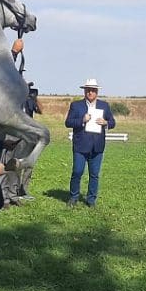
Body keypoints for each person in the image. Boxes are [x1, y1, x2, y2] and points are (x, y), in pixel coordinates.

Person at [64, 78, 116, 207]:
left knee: (94, 175)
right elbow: (68, 122)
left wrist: (106, 123)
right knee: (77, 172)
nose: (90, 93)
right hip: (80, 146)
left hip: (97, 146)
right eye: (88, 90)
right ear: (84, 91)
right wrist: (82, 120)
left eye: (93, 90)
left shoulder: (104, 106)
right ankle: (74, 197)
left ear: (97, 92)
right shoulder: (76, 105)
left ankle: (91, 200)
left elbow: (113, 122)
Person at [0, 81, 42, 206]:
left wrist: (34, 97)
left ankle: (13, 195)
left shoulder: (27, 101)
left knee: (17, 165)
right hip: (9, 136)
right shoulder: (7, 99)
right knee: (4, 165)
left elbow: (38, 110)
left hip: (24, 136)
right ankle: (4, 197)